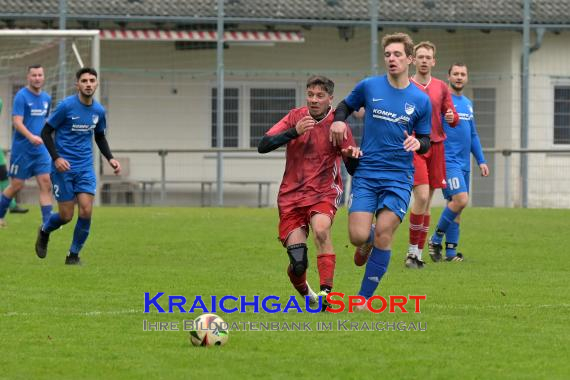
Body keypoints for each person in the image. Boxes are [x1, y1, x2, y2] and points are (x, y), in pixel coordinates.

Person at [330, 32, 432, 304]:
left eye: (397, 54)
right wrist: (339, 121)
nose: (392, 59)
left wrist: (417, 143)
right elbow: (344, 106)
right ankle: (368, 239)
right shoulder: (369, 87)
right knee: (357, 236)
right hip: (367, 173)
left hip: (399, 177)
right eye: (387, 54)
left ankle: (362, 299)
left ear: (409, 59)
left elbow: (426, 141)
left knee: (384, 233)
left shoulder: (421, 100)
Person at [258, 75, 361, 309]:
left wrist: (352, 156)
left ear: (330, 99)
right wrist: (294, 132)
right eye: (310, 95)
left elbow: (352, 168)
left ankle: (326, 295)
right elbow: (263, 145)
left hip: (323, 192)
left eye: (320, 96)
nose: (314, 100)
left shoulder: (338, 124)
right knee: (298, 263)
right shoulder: (295, 117)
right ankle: (308, 295)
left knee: (322, 230)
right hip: (291, 198)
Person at [35, 67, 121, 265]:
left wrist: (110, 158)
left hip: (85, 168)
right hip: (63, 168)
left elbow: (99, 136)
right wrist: (56, 158)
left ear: (96, 84)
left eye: (92, 80)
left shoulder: (99, 111)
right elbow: (46, 133)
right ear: (78, 84)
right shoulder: (66, 106)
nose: (88, 84)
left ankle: (73, 255)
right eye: (84, 81)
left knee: (86, 211)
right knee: (66, 216)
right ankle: (44, 230)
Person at [405, 41, 459, 269]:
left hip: (436, 147)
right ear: (414, 60)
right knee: (422, 196)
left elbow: (453, 116)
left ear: (434, 61)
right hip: (415, 146)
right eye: (421, 57)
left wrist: (451, 118)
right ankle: (411, 252)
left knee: (427, 204)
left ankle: (417, 254)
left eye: (428, 57)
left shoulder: (441, 87)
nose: (424, 60)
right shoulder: (406, 85)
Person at [428, 63, 489, 262]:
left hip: (464, 164)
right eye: (455, 74)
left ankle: (451, 253)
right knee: (461, 200)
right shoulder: (441, 101)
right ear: (449, 76)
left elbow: (473, 134)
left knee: (456, 206)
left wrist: (481, 160)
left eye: (463, 74)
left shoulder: (468, 103)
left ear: (467, 77)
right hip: (448, 161)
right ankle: (435, 239)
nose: (459, 77)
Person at [0, 65, 52, 227]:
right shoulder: (21, 97)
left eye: (40, 75)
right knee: (17, 185)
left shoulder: (47, 98)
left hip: (41, 150)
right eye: (34, 75)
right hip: (22, 150)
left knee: (46, 183)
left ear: (44, 77)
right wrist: (31, 137)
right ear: (28, 77)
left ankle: (47, 224)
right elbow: (17, 122)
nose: (37, 78)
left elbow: (45, 121)